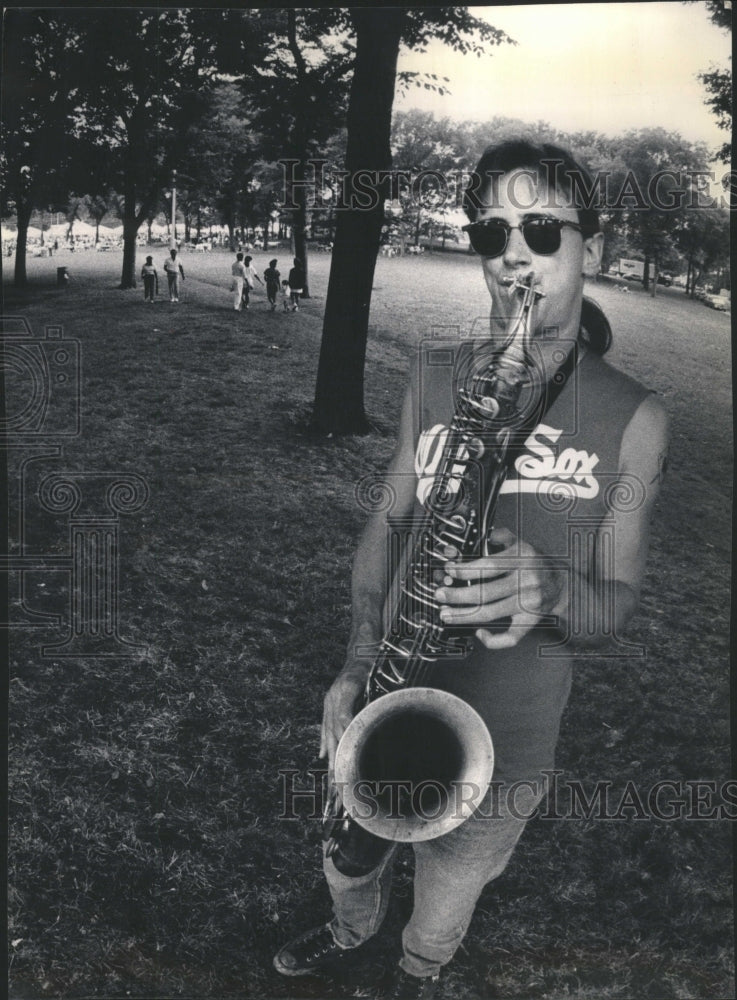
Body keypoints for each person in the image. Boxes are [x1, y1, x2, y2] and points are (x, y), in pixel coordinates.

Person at [273, 139, 669, 999]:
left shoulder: (634, 417)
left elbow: (618, 604)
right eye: (492, 232)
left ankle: (420, 968)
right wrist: (352, 664)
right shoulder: (435, 373)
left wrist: (555, 589)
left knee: (449, 888)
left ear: (589, 247)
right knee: (348, 855)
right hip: (391, 683)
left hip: (506, 738)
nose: (513, 253)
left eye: (540, 228)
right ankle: (349, 929)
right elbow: (389, 520)